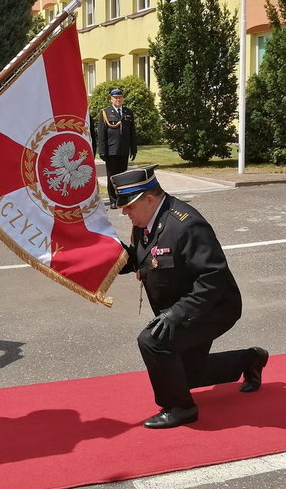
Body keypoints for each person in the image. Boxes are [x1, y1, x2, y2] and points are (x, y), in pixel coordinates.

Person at [111, 165, 269, 429]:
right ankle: (249, 360)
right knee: (186, 374)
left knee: (153, 341)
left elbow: (213, 277)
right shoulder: (146, 221)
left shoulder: (186, 225)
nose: (124, 212)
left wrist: (176, 315)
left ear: (149, 199)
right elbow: (142, 259)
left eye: (129, 206)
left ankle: (180, 407)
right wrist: (105, 258)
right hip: (184, 305)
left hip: (212, 307)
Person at [97, 88, 137, 209]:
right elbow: (101, 133)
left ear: (123, 98)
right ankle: (113, 199)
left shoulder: (128, 112)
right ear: (111, 99)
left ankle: (122, 199)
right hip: (111, 150)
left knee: (123, 175)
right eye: (115, 98)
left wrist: (133, 148)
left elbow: (132, 133)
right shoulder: (105, 112)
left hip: (124, 150)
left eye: (120, 97)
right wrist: (102, 151)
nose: (118, 100)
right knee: (112, 176)